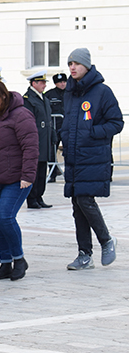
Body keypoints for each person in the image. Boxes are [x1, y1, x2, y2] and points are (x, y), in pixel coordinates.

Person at [59, 48, 123, 270]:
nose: (72, 68)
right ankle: (84, 254)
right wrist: (64, 136)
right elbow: (68, 120)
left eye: (76, 63)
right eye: (70, 64)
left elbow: (117, 122)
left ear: (87, 65)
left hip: (93, 155)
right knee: (77, 204)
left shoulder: (102, 92)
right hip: (74, 156)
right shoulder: (69, 91)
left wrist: (93, 133)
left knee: (85, 199)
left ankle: (106, 240)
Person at [0, 79, 39, 281]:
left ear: (3, 95)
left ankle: (19, 260)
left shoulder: (21, 115)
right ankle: (5, 263)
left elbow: (31, 146)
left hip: (16, 179)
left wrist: (28, 176)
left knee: (5, 217)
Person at [23, 70, 54, 209]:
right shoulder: (28, 99)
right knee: (34, 172)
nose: (44, 85)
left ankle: (39, 196)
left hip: (44, 141)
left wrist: (52, 135)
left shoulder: (44, 99)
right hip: (35, 141)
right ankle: (32, 198)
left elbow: (47, 120)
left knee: (42, 171)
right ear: (33, 83)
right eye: (42, 82)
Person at [45, 73, 67, 182]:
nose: (62, 84)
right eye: (60, 82)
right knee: (52, 151)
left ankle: (69, 173)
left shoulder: (71, 93)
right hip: (55, 127)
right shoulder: (49, 94)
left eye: (64, 82)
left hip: (68, 127)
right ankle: (53, 173)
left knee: (69, 151)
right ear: (55, 83)